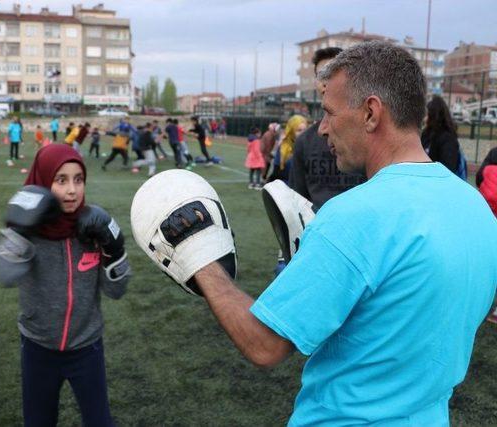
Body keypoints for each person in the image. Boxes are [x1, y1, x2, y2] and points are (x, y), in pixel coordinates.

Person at [144, 41, 497, 425]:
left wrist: (201, 261)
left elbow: (263, 345)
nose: (323, 128)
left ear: (370, 113)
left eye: (328, 112)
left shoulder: (355, 216)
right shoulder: (476, 207)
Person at [0, 144, 131, 426]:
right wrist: (19, 231)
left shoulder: (92, 228)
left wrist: (114, 249)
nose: (72, 191)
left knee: (100, 422)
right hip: (38, 347)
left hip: (87, 347)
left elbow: (116, 291)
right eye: (61, 180)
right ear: (42, 182)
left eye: (78, 180)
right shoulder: (29, 229)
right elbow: (4, 273)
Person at [290, 47, 367, 211]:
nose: (325, 81)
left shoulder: (368, 135)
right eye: (320, 75)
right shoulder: (304, 141)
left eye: (332, 73)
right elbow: (297, 200)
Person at [421, 95, 461, 174]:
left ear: (433, 115)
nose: (424, 119)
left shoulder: (447, 139)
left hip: (437, 182)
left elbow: (449, 168)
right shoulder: (426, 134)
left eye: (426, 115)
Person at [269, 115, 307, 183]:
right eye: (299, 130)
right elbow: (277, 173)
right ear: (292, 132)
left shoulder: (310, 147)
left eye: (305, 130)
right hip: (286, 188)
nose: (303, 133)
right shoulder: (283, 148)